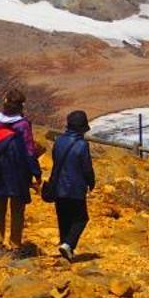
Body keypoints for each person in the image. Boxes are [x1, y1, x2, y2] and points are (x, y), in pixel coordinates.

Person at [0, 89, 41, 252]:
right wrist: (36, 172)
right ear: (21, 106)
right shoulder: (23, 125)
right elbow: (29, 149)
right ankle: (15, 245)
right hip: (15, 168)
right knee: (17, 207)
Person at [46, 110, 97, 259]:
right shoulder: (82, 145)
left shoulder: (59, 141)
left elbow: (56, 161)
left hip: (58, 186)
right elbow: (86, 167)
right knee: (81, 218)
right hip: (75, 187)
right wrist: (91, 181)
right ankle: (68, 244)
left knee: (64, 217)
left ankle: (65, 249)